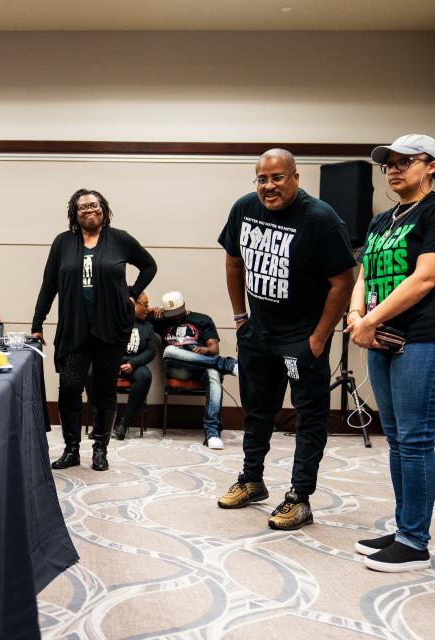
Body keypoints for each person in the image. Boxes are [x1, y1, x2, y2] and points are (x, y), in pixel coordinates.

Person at [347, 134, 435, 572]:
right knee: (397, 440)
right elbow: (365, 273)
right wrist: (356, 314)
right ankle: (404, 528)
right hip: (380, 337)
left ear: (432, 166)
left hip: (426, 338)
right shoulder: (381, 221)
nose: (393, 169)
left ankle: (414, 542)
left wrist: (369, 321)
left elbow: (424, 280)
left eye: (405, 161)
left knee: (416, 441)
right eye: (389, 163)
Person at [217, 148, 355, 530]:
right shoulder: (244, 208)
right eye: (262, 178)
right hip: (258, 333)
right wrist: (240, 316)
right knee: (257, 409)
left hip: (302, 337)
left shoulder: (322, 220)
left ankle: (299, 497)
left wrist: (318, 337)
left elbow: (343, 281)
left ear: (295, 178)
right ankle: (251, 480)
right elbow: (233, 260)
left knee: (308, 417)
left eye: (277, 177)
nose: (269, 186)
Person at [32, 189, 157, 471]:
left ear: (104, 208)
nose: (89, 210)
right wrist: (37, 324)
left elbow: (149, 266)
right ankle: (71, 449)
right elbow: (49, 285)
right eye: (82, 207)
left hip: (110, 328)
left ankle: (101, 448)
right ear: (74, 214)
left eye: (94, 205)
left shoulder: (120, 239)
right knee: (70, 388)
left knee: (104, 391)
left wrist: (133, 293)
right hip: (74, 329)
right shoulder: (63, 243)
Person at [149, 291, 237, 450]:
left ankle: (212, 433)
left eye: (177, 313)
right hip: (177, 369)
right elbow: (133, 310)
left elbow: (214, 348)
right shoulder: (162, 321)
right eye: (171, 314)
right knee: (169, 350)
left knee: (213, 373)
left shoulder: (202, 319)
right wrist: (152, 310)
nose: (174, 317)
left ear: (184, 306)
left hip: (199, 369)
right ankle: (227, 365)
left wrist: (204, 350)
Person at [109, 291, 156, 440]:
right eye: (145, 305)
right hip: (111, 363)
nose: (148, 309)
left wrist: (133, 364)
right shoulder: (114, 320)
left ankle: (123, 424)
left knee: (145, 375)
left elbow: (150, 351)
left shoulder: (148, 326)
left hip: (133, 365)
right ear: (133, 304)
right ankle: (100, 422)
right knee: (91, 373)